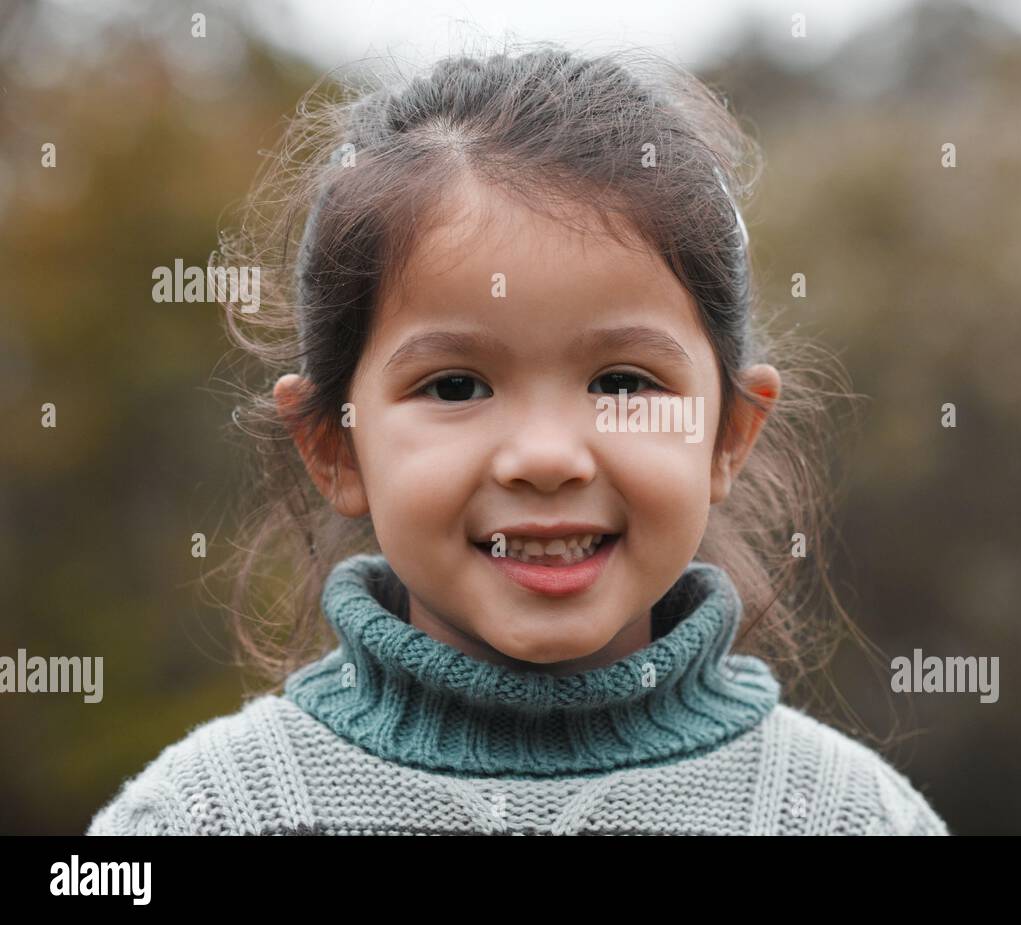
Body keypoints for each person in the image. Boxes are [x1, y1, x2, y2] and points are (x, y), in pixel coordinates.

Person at [86, 42, 948, 835]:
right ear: (335, 447)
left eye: (622, 382)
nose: (545, 457)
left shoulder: (847, 815)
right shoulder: (206, 815)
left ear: (726, 433)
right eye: (455, 385)